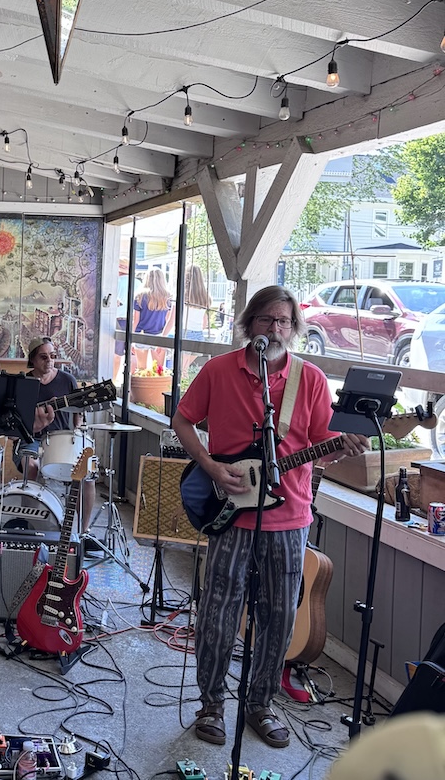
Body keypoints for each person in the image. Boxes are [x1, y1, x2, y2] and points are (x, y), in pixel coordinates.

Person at [171, 284, 369, 749]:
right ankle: (212, 704)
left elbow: (319, 449)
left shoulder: (312, 379)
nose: (275, 329)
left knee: (280, 614)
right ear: (250, 325)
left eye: (283, 321)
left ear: (294, 328)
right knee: (220, 608)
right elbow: (182, 420)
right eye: (266, 320)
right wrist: (211, 466)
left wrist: (341, 448)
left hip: (291, 515)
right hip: (231, 512)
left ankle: (260, 703)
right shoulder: (218, 371)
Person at [23, 337, 96, 539]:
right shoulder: (24, 383)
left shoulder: (67, 380)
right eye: (44, 357)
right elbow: (16, 419)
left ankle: (83, 531)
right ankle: (27, 524)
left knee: (88, 476)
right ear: (33, 360)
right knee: (31, 466)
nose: (49, 361)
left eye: (53, 356)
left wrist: (77, 436)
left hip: (63, 440)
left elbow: (78, 416)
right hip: (33, 439)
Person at [132, 268, 174, 371]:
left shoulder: (140, 296)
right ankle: (158, 387)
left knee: (141, 369)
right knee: (159, 369)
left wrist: (131, 339)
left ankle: (142, 387)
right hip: (159, 335)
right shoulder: (167, 297)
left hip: (141, 334)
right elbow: (167, 319)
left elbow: (135, 320)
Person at [180, 264, 212, 375]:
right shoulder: (205, 297)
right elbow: (205, 322)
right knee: (185, 368)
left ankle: (182, 389)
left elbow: (172, 318)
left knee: (182, 369)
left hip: (185, 331)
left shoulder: (183, 295)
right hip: (198, 334)